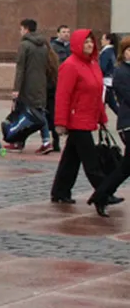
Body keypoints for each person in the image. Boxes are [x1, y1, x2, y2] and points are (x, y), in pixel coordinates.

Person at [50, 29, 109, 206]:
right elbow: (63, 95)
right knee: (91, 161)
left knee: (71, 159)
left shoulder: (93, 64)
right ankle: (104, 192)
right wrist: (60, 122)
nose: (90, 45)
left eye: (91, 42)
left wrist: (102, 117)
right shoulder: (70, 65)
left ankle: (60, 191)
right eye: (86, 42)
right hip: (77, 120)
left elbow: (97, 94)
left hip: (87, 117)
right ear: (78, 44)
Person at [90, 37, 130, 214]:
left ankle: (101, 195)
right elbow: (126, 97)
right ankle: (101, 195)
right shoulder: (121, 72)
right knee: (125, 168)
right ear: (124, 52)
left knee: (126, 168)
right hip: (128, 124)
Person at [12, 19, 54, 155]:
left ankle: (21, 141)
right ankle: (43, 141)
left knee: (26, 114)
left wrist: (16, 89)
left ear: (26, 29)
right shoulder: (44, 45)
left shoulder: (24, 45)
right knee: (38, 112)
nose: (20, 32)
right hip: (41, 84)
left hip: (27, 86)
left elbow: (20, 68)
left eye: (21, 29)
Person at [100, 33, 119, 113]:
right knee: (112, 104)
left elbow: (102, 67)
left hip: (105, 82)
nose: (101, 41)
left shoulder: (106, 52)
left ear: (108, 41)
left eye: (102, 39)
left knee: (104, 103)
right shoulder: (113, 51)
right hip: (110, 81)